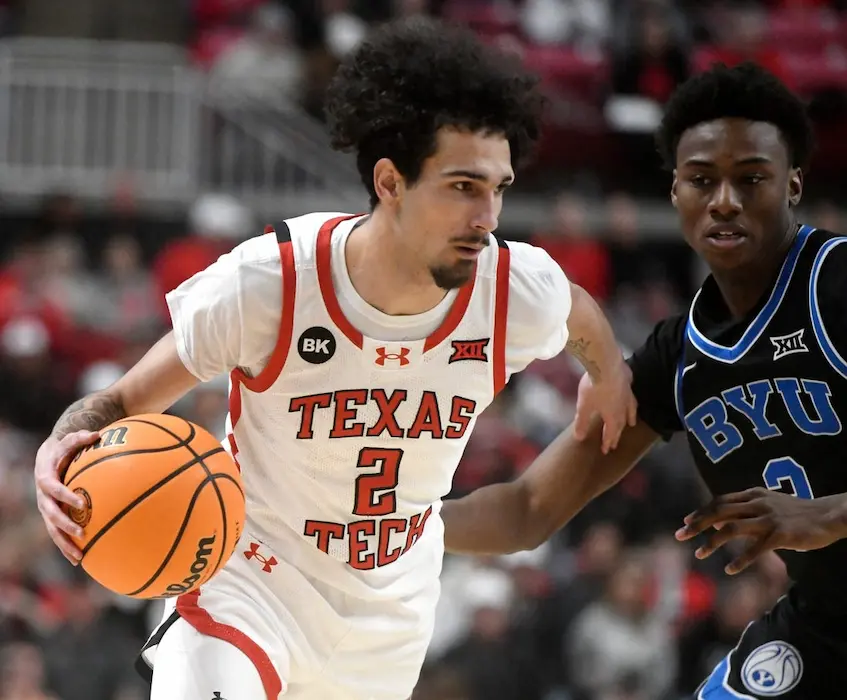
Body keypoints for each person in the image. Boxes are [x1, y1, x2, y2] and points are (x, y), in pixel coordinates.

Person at [32, 18, 636, 700]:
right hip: (247, 586)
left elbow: (579, 314)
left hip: (387, 621)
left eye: (498, 188)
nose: (487, 215)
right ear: (390, 181)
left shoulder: (513, 291)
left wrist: (609, 375)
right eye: (463, 186)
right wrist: (60, 444)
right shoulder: (272, 283)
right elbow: (120, 402)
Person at [442, 61, 847, 699]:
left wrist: (830, 514)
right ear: (675, 194)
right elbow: (528, 510)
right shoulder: (676, 357)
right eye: (702, 180)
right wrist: (388, 526)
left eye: (752, 179)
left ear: (793, 184)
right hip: (828, 624)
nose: (724, 200)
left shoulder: (835, 284)